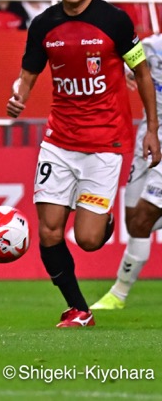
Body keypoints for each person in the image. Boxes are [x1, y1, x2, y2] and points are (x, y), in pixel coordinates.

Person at [6, 0, 161, 328]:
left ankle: (101, 220)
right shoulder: (44, 25)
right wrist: (18, 96)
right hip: (59, 142)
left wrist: (152, 129)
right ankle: (78, 308)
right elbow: (28, 74)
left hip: (104, 146)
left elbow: (142, 73)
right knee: (49, 231)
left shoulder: (115, 22)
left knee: (89, 239)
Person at [91, 32, 162, 310]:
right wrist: (124, 72)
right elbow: (114, 64)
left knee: (143, 218)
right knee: (133, 219)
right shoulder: (151, 48)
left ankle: (118, 294)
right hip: (150, 133)